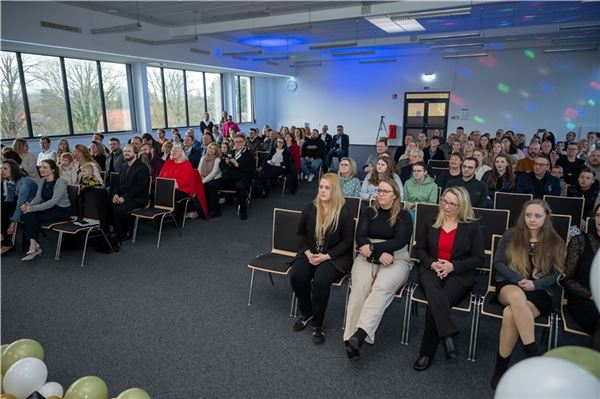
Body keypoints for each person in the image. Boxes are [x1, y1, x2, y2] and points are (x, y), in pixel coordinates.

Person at [490, 200, 565, 388]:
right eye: (528, 215)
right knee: (516, 298)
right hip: (511, 285)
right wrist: (517, 279)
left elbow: (558, 273)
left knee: (509, 314)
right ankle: (532, 354)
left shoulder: (555, 241)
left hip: (539, 291)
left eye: (537, 216)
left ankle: (500, 367)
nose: (532, 219)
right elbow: (498, 263)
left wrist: (535, 284)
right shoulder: (511, 235)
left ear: (546, 217)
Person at [413, 186, 485, 371]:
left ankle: (426, 353)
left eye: (452, 204)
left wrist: (453, 266)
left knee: (436, 302)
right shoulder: (431, 221)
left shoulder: (471, 225)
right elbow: (419, 249)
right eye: (445, 201)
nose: (446, 206)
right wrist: (432, 263)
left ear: (462, 205)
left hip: (459, 273)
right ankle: (448, 335)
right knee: (434, 293)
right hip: (431, 269)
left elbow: (478, 258)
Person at [344, 179, 413, 359]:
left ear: (395, 195)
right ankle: (351, 338)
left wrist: (375, 248)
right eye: (379, 190)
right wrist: (375, 253)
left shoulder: (404, 215)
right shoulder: (368, 212)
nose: (380, 194)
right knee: (359, 288)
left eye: (385, 191)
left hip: (396, 257)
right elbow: (360, 237)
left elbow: (400, 241)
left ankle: (359, 334)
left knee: (381, 288)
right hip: (367, 254)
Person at [290, 173, 354, 344]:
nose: (323, 191)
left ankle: (318, 323)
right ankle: (307, 313)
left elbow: (348, 241)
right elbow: (300, 234)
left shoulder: (344, 212)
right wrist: (307, 252)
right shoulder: (310, 208)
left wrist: (327, 256)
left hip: (334, 256)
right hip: (311, 253)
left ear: (335, 190)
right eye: (321, 187)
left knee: (320, 280)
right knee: (297, 276)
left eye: (328, 188)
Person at [562, 203, 600, 351]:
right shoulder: (579, 241)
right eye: (598, 215)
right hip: (583, 300)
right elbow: (566, 278)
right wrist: (591, 295)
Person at [20, 160, 71, 261]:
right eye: (41, 167)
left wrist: (31, 208)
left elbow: (53, 202)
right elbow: (38, 198)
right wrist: (28, 206)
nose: (41, 169)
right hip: (49, 207)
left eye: (45, 167)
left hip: (61, 209)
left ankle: (34, 247)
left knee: (33, 215)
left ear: (52, 170)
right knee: (27, 214)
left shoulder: (59, 182)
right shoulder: (42, 181)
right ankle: (33, 245)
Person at [210, 134, 255, 220]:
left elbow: (251, 170)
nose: (237, 143)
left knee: (240, 186)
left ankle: (243, 211)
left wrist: (237, 164)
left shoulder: (249, 154)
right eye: (236, 142)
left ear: (244, 142)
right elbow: (221, 166)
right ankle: (216, 210)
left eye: (240, 141)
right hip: (229, 178)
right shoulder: (231, 152)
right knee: (212, 184)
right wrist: (226, 163)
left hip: (243, 178)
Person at [111, 144, 150, 241]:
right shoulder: (123, 166)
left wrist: (124, 198)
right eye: (124, 151)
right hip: (124, 196)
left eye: (129, 151)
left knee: (120, 210)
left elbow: (139, 187)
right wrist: (116, 194)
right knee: (109, 204)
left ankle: (127, 231)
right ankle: (117, 230)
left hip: (138, 198)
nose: (126, 153)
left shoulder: (142, 167)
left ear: (135, 153)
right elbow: (118, 184)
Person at [1, 160, 38, 254]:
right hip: (22, 202)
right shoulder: (9, 181)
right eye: (1, 168)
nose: (2, 171)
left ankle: (6, 243)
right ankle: (4, 237)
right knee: (3, 207)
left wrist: (12, 225)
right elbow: (9, 200)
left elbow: (20, 204)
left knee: (7, 210)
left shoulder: (25, 182)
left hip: (34, 204)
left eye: (5, 168)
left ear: (13, 170)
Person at [158, 145, 197, 218]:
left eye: (176, 150)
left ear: (181, 153)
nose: (173, 152)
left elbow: (185, 181)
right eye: (172, 150)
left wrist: (170, 185)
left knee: (171, 195)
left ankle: (175, 216)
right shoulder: (168, 162)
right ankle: (160, 215)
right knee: (153, 195)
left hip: (183, 189)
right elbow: (160, 176)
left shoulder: (186, 164)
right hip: (167, 187)